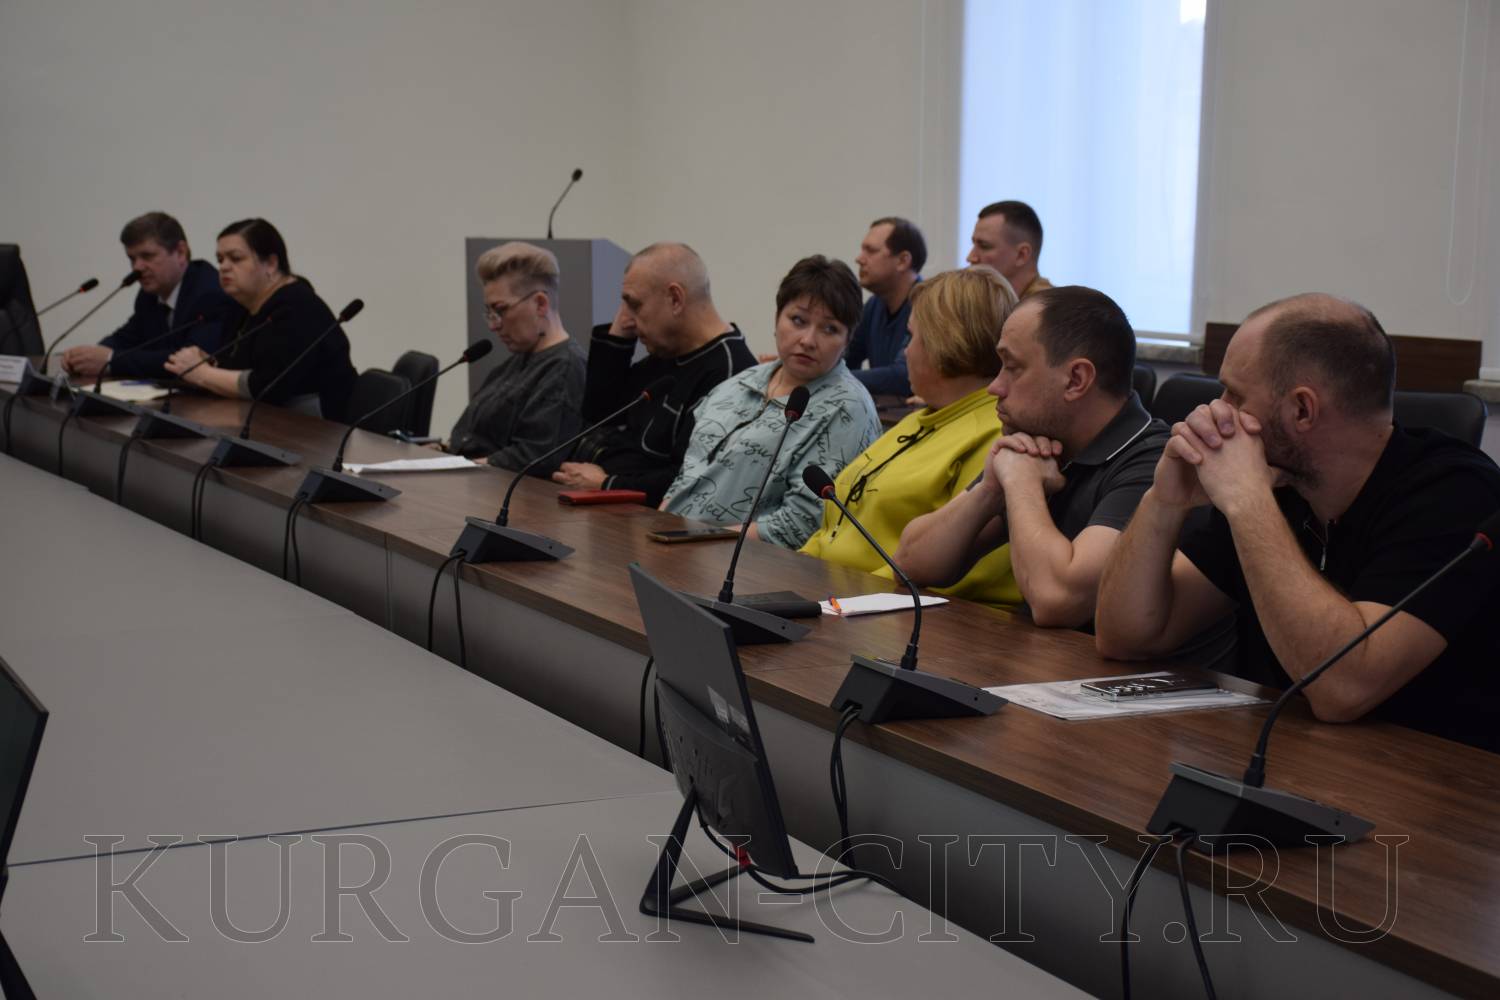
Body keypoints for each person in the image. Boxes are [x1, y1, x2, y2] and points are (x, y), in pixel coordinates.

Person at [1095, 294, 1500, 752]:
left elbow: (1343, 688)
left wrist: (1248, 501)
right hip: (1290, 758)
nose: (1217, 410)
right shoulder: (1279, 484)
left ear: (1302, 410)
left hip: (1431, 778)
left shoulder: (1454, 493)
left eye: (1234, 394)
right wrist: (1164, 501)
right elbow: (1126, 635)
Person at [896, 287, 1168, 628]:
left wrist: (1021, 482)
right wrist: (989, 491)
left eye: (1012, 367)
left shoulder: (1153, 464)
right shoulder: (1040, 443)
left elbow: (1058, 600)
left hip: (1101, 662)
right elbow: (910, 563)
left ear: (1076, 380)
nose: (995, 387)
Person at [800, 267, 1022, 606]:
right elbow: (835, 528)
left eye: (911, 338)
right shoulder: (918, 419)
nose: (905, 352)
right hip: (834, 596)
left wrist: (836, 602)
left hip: (888, 613)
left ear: (945, 343)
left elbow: (966, 574)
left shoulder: (997, 435)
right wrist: (798, 568)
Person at [663, 255, 881, 548]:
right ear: (777, 318)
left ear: (847, 341)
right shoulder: (738, 384)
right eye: (798, 320)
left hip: (746, 561)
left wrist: (694, 544)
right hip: (676, 542)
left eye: (829, 329)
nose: (808, 340)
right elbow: (687, 475)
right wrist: (661, 527)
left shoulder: (848, 409)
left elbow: (803, 524)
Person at [553, 242, 755, 505]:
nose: (627, 318)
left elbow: (690, 481)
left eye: (635, 305)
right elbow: (599, 412)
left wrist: (608, 484)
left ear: (675, 299)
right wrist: (619, 335)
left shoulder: (730, 372)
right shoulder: (670, 352)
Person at [164, 219, 357, 421]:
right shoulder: (241, 306)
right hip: (267, 421)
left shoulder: (297, 307)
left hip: (320, 428)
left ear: (271, 264)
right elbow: (239, 367)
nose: (224, 267)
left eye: (235, 258)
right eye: (220, 260)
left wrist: (202, 373)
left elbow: (269, 387)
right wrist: (211, 362)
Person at [444, 242, 585, 475]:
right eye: (490, 312)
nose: (493, 325)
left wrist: (455, 468)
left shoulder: (564, 368)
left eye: (501, 310)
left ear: (540, 303)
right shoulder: (517, 361)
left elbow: (533, 459)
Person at [62, 212, 230, 380]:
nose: (137, 267)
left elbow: (190, 362)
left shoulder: (211, 292)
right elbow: (127, 337)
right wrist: (86, 356)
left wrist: (110, 360)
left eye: (147, 256)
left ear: (180, 252)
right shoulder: (149, 295)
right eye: (132, 258)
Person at [845, 217, 926, 396]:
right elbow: (844, 357)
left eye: (871, 251)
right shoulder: (874, 305)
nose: (859, 259)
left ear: (903, 261)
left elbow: (904, 375)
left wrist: (830, 379)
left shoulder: (929, 306)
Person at [966, 200, 1052, 300]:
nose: (970, 257)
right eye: (973, 244)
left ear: (1021, 255)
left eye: (984, 246)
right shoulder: (991, 302)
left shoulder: (1050, 308)